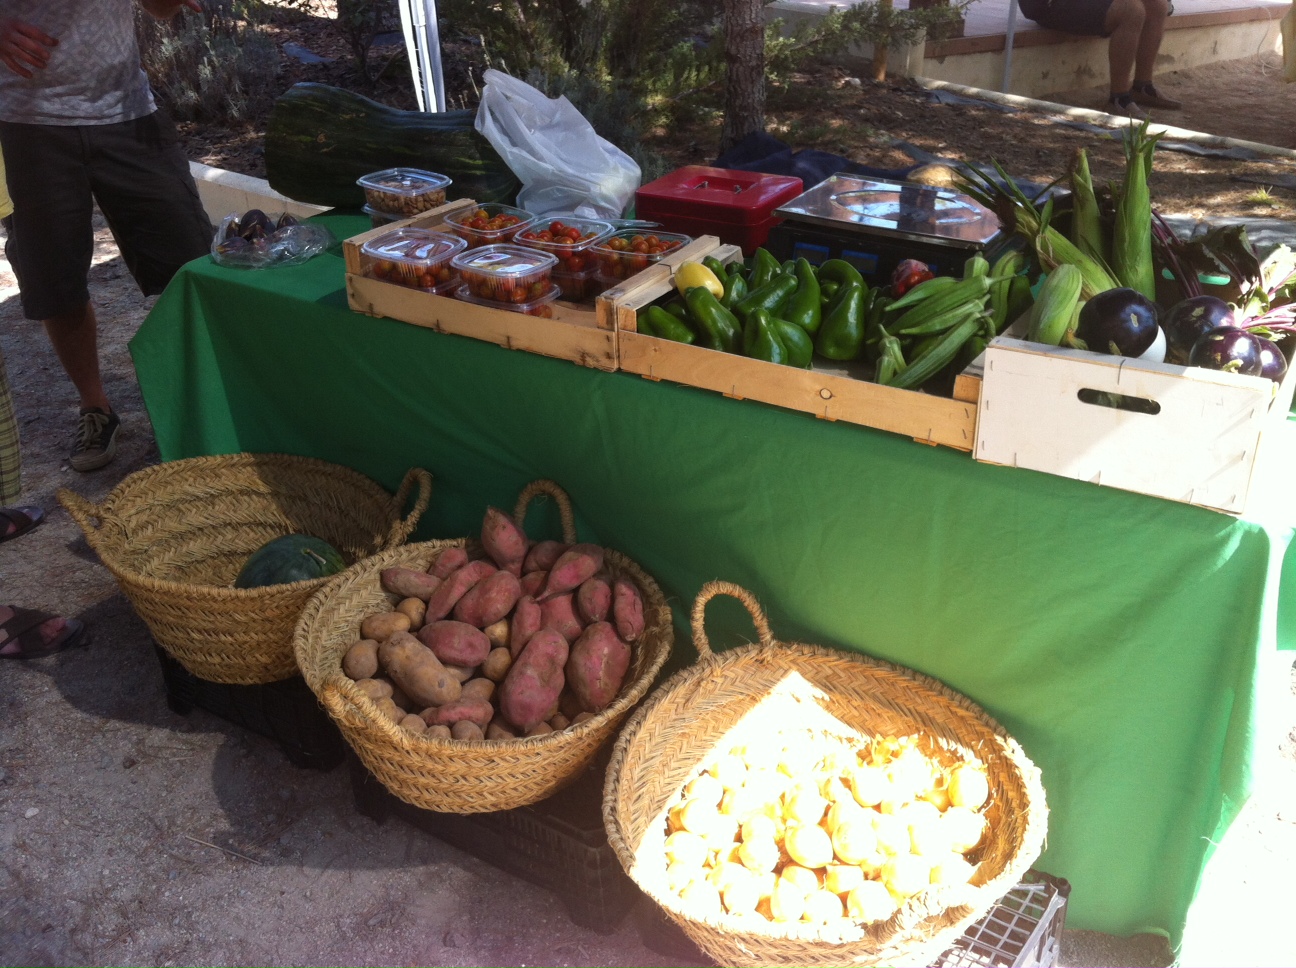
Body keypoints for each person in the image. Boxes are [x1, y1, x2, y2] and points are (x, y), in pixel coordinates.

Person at [0, 0, 213, 472]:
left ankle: (202, 399)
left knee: (189, 262)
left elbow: (158, 9)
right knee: (56, 281)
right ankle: (95, 407)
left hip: (128, 112)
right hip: (28, 123)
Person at [1017, 0, 1180, 118]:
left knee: (1157, 6)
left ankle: (1142, 87)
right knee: (1131, 10)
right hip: (1048, 5)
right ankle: (1119, 99)